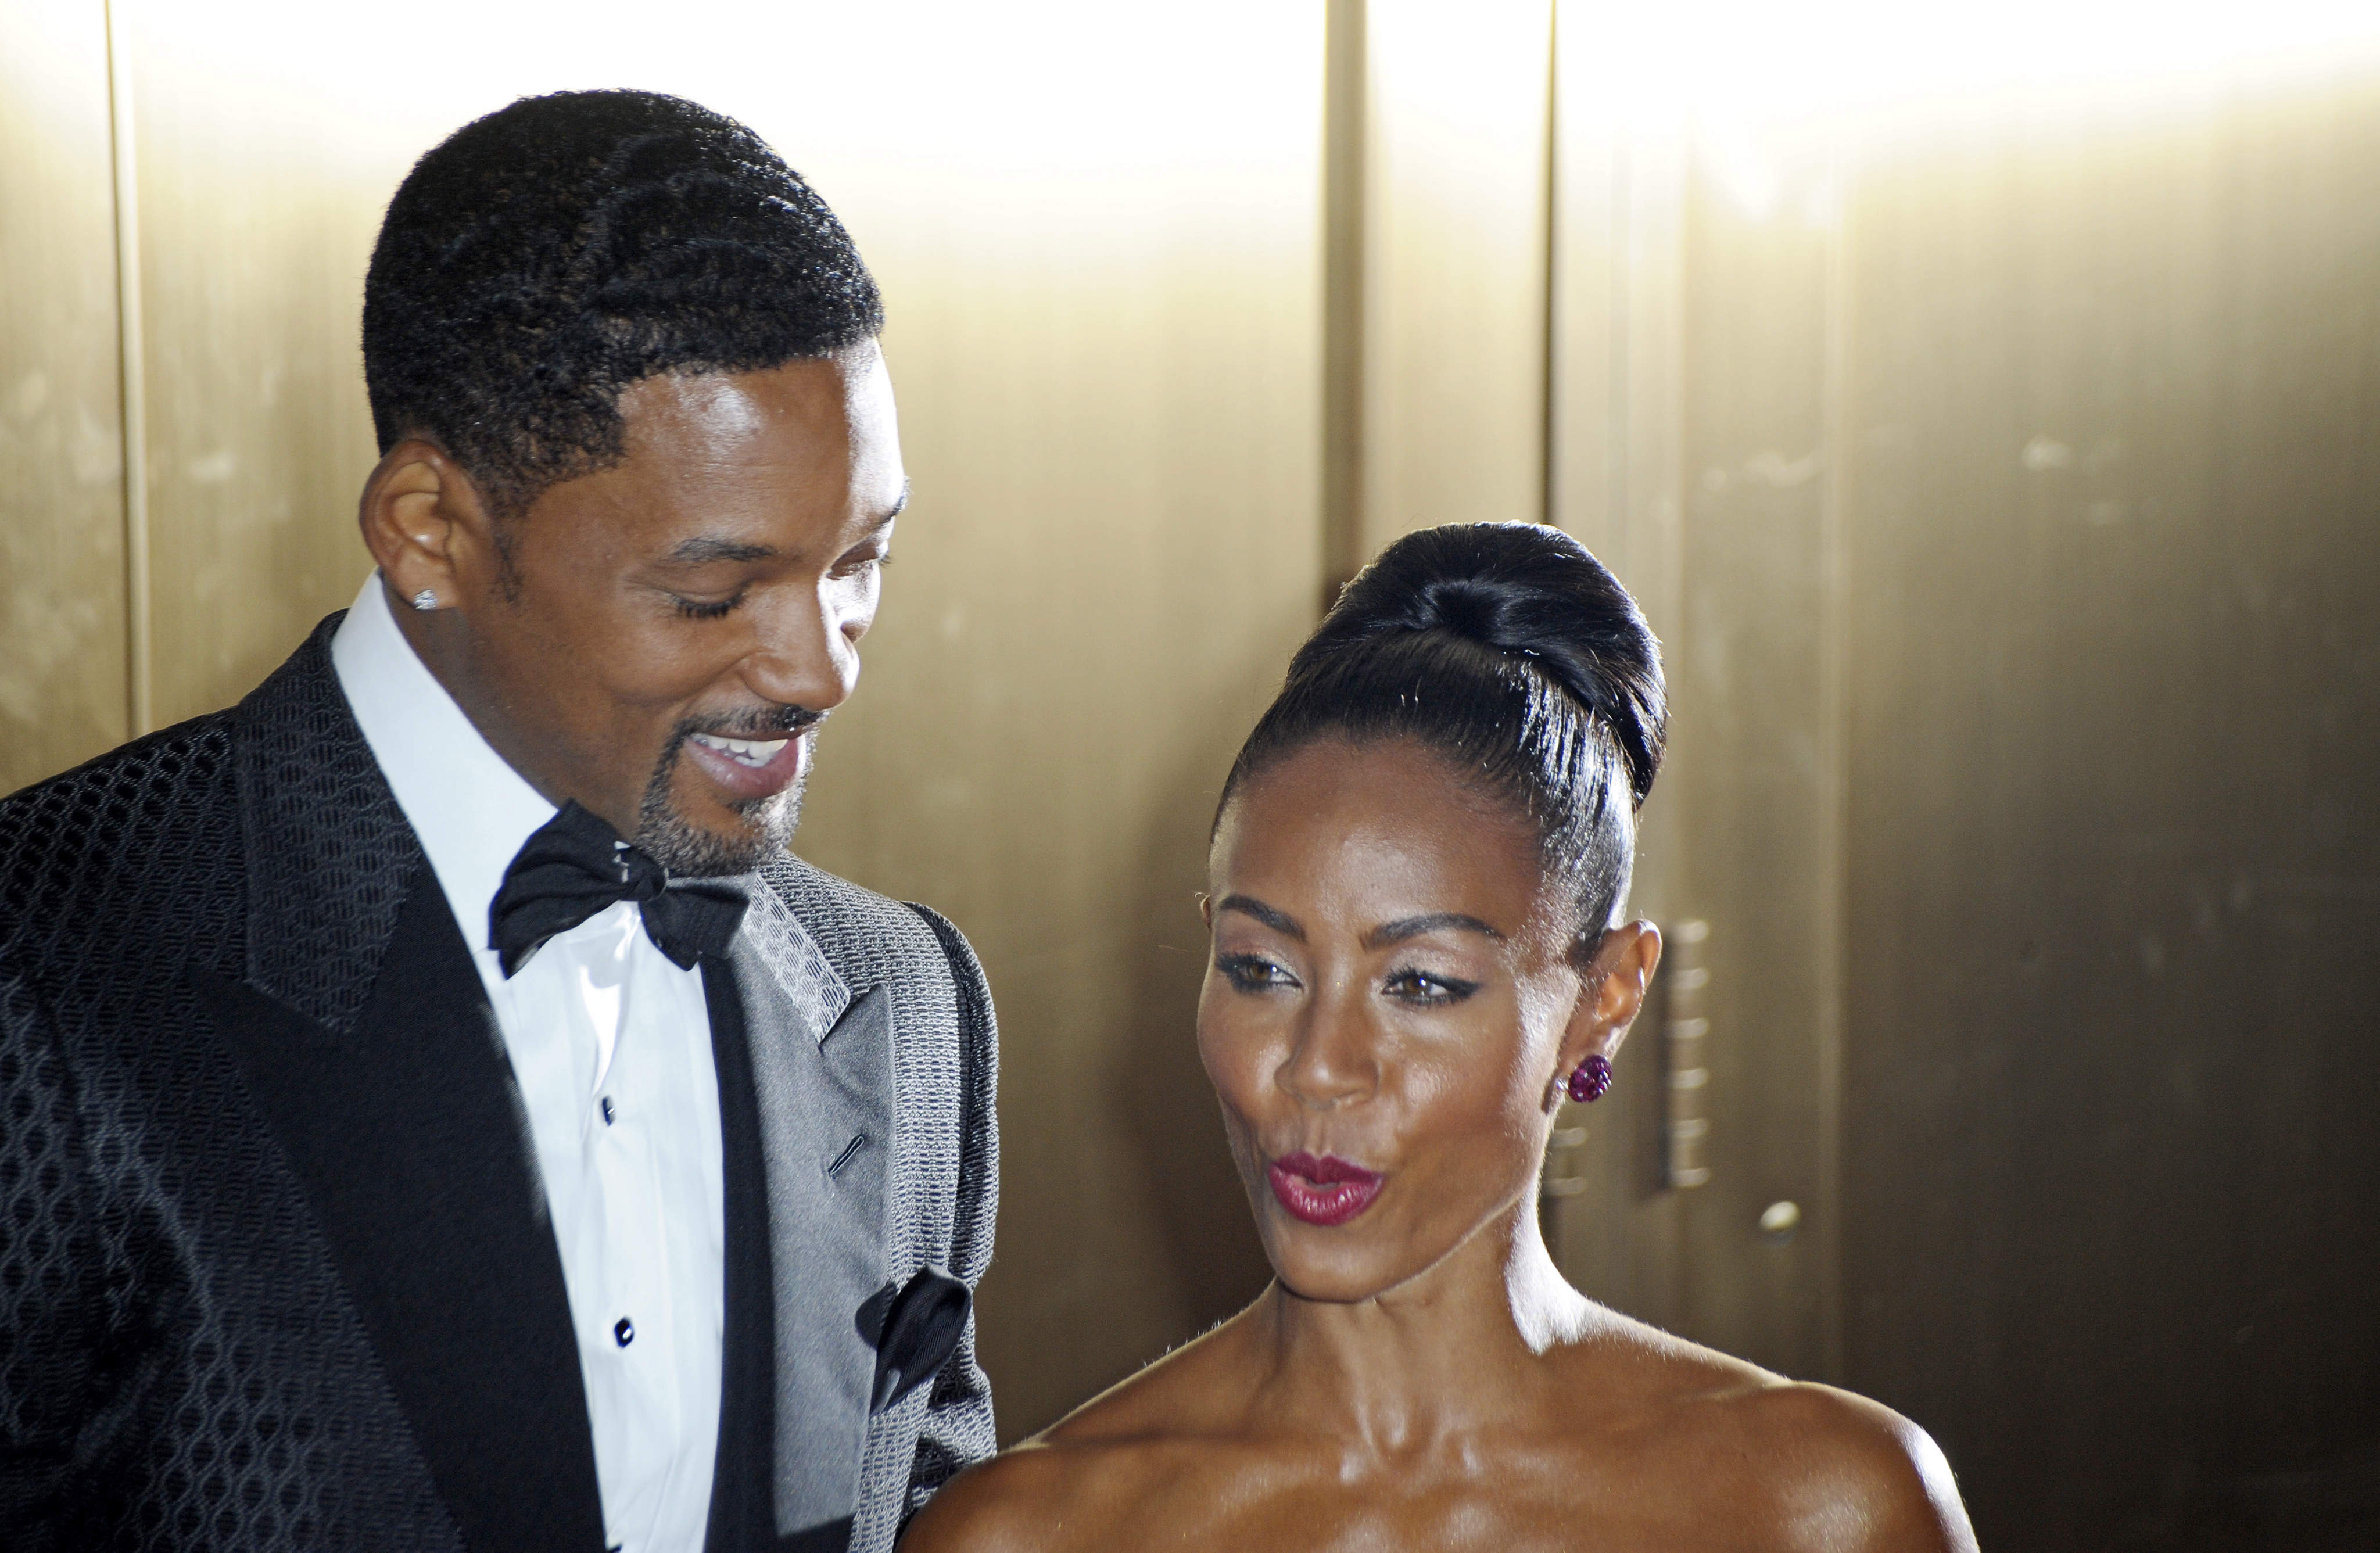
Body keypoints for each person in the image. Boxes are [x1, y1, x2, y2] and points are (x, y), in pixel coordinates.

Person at [0, 91, 995, 1553]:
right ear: (428, 530)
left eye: (862, 561)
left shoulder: (907, 1000)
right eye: (714, 593)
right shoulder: (42, 968)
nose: (821, 665)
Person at [905, 523, 1976, 1552]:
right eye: (1261, 970)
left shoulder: (1824, 1510)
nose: (1318, 1065)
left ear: (1604, 998)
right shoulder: (1030, 1534)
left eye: (1421, 982)